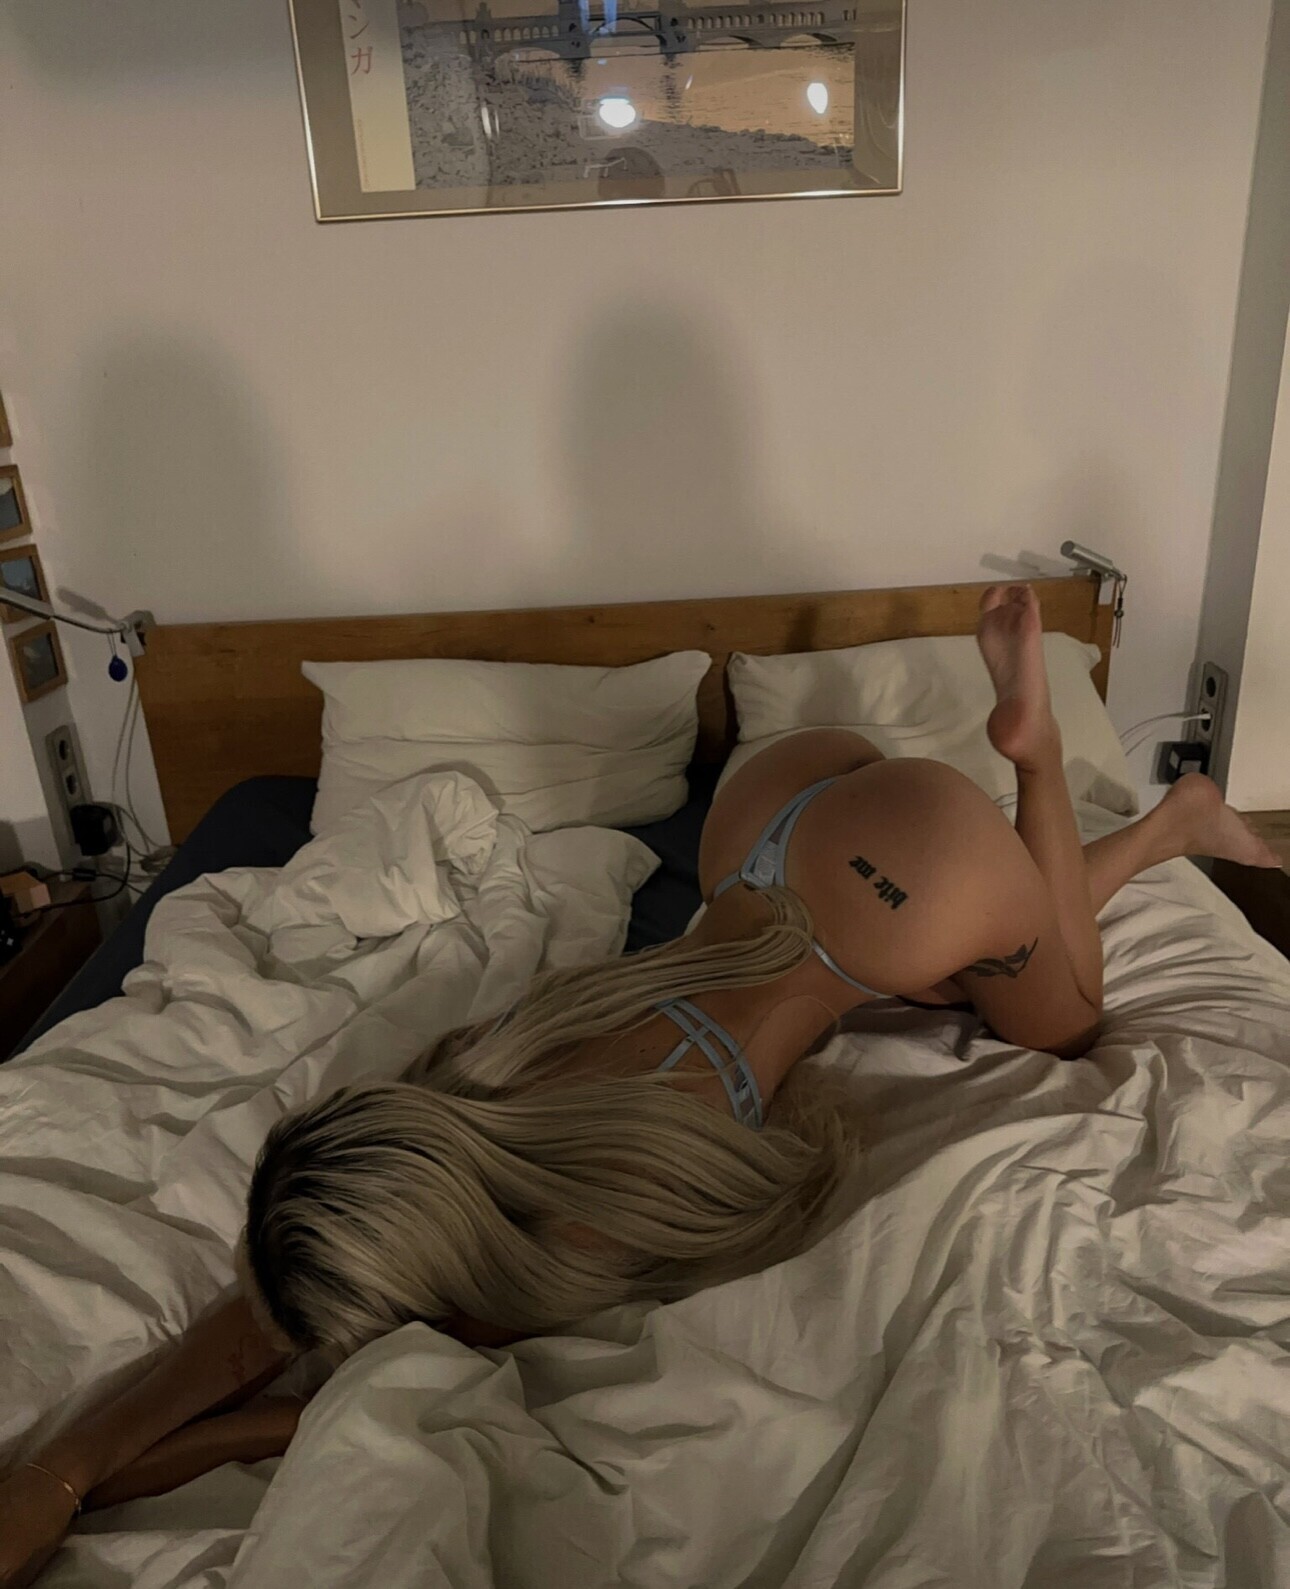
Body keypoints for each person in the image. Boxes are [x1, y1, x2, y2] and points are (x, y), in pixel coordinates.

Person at [1, 586, 1278, 1588]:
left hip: (884, 899)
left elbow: (280, 1372)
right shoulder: (464, 1077)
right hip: (767, 820)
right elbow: (271, 1299)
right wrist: (55, 1473)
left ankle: (1038, 756)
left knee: (1066, 1016)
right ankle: (1169, 822)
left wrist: (80, 1475)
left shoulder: (557, 1240)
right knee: (970, 979)